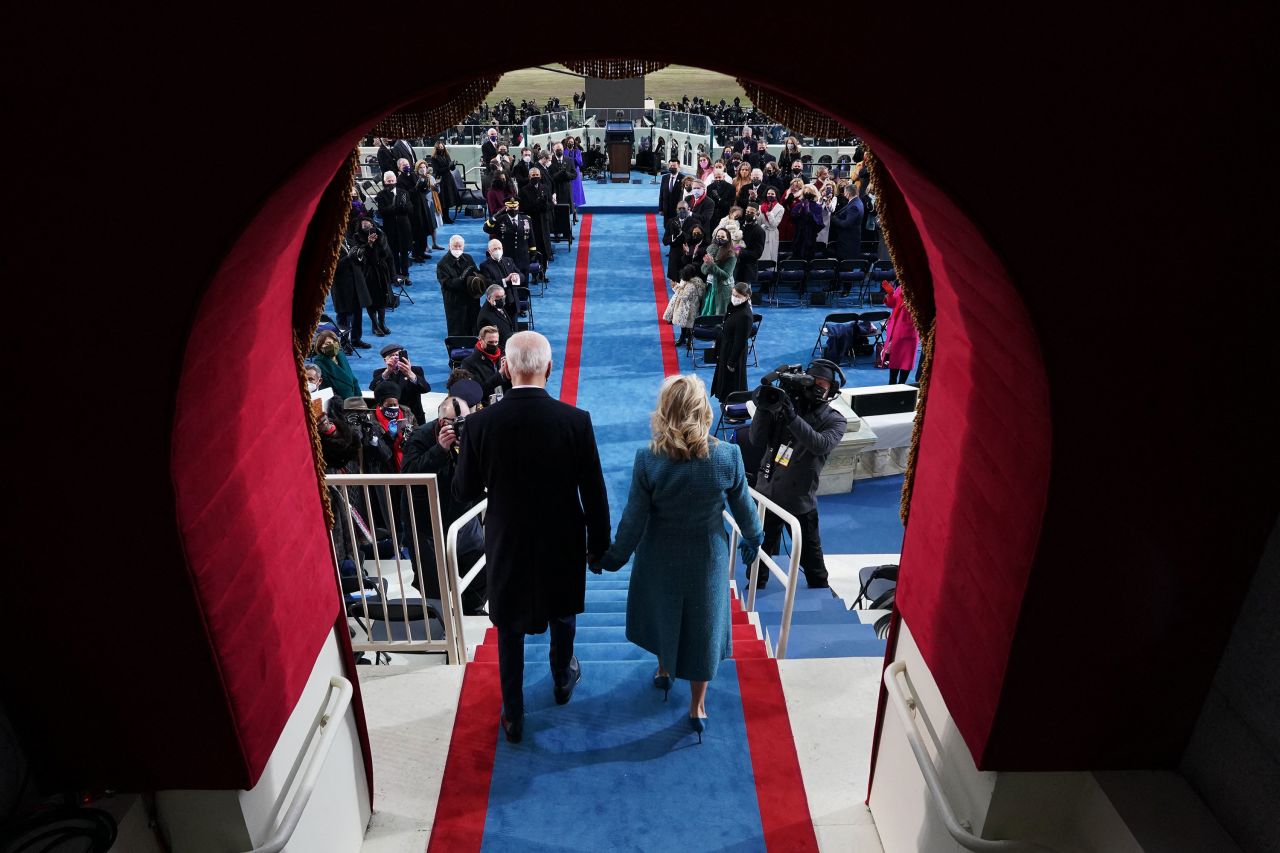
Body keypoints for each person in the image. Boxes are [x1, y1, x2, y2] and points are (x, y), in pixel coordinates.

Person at [453, 331, 611, 744]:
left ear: (505, 368)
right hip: (564, 539)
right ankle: (562, 678)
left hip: (507, 541)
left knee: (509, 625)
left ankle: (514, 713)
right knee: (562, 613)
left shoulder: (479, 424)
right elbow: (594, 491)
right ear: (549, 368)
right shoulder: (576, 421)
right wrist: (600, 545)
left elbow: (465, 490)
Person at [593, 374, 763, 740]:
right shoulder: (728, 456)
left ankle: (664, 669)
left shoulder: (647, 459)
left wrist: (614, 558)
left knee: (663, 614)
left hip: (658, 557)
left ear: (665, 412)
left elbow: (633, 519)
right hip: (707, 560)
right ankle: (697, 706)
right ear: (703, 411)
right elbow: (746, 510)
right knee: (704, 627)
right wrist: (754, 538)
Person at [748, 361, 846, 589]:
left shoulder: (835, 420)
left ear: (832, 389)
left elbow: (820, 444)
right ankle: (754, 589)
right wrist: (764, 408)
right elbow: (756, 440)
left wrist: (792, 418)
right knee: (760, 554)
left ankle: (821, 590)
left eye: (823, 384)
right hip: (768, 494)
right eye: (813, 381)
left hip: (800, 501)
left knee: (812, 559)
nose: (817, 387)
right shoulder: (784, 406)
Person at [401, 395, 488, 615]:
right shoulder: (420, 436)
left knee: (484, 569)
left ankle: (471, 609)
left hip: (463, 518)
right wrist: (439, 449)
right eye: (454, 423)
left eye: (465, 421)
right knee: (434, 585)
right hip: (427, 523)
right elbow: (408, 475)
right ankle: (442, 628)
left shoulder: (474, 434)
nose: (461, 428)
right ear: (441, 422)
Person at [369, 343, 431, 424]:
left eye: (398, 355)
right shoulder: (380, 373)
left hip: (413, 417)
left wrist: (410, 374)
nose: (396, 358)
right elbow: (373, 387)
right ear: (385, 360)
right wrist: (387, 372)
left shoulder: (416, 370)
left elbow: (426, 389)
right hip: (389, 417)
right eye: (391, 356)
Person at [331, 231, 373, 350]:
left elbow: (359, 258)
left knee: (357, 312)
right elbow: (332, 268)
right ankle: (344, 344)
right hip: (341, 286)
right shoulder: (330, 246)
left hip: (356, 283)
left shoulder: (349, 240)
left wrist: (365, 249)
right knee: (344, 315)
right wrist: (348, 258)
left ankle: (356, 339)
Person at [484, 197, 537, 282]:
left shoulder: (526, 219)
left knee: (523, 282)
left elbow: (531, 237)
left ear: (518, 206)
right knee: (509, 283)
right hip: (507, 257)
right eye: (510, 207)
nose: (513, 209)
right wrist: (495, 216)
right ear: (506, 208)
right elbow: (486, 229)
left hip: (523, 258)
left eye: (514, 207)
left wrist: (533, 252)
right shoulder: (500, 220)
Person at [436, 235, 479, 336]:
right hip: (455, 304)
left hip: (471, 301)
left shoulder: (468, 258)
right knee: (458, 332)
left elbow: (476, 274)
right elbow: (447, 284)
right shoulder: (442, 264)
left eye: (460, 246)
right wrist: (461, 279)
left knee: (473, 330)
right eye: (455, 246)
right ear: (449, 246)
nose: (458, 249)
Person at [375, 171, 413, 277]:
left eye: (392, 180)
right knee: (393, 253)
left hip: (404, 226)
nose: (390, 182)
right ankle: (396, 275)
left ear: (396, 180)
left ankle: (405, 275)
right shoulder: (381, 195)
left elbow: (410, 209)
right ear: (384, 182)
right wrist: (394, 207)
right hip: (390, 228)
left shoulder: (404, 192)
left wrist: (402, 207)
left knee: (404, 252)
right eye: (388, 181)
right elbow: (382, 211)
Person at [371, 380, 414, 472]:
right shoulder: (372, 420)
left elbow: (416, 436)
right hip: (384, 466)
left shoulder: (407, 415)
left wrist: (407, 436)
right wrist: (390, 436)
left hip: (406, 461)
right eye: (389, 405)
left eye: (395, 404)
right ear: (381, 405)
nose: (393, 407)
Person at [882, 281, 920, 384]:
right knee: (894, 362)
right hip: (896, 330)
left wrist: (909, 298)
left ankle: (902, 387)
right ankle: (892, 388)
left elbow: (919, 311)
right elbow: (892, 304)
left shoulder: (920, 290)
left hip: (909, 332)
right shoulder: (900, 287)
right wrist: (890, 294)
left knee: (906, 362)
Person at [462, 325, 512, 401]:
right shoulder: (469, 363)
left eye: (496, 342)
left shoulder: (504, 356)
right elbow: (478, 390)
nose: (494, 345)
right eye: (490, 342)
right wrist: (500, 374)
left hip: (505, 400)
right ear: (481, 340)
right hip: (485, 404)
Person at [664, 262, 707, 349]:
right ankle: (682, 338)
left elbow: (684, 296)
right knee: (683, 324)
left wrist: (674, 287)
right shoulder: (688, 280)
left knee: (690, 325)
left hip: (691, 308)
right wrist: (678, 286)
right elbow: (682, 288)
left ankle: (689, 341)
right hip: (685, 307)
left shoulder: (694, 284)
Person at [518, 166, 553, 267]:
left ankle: (544, 270)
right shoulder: (523, 190)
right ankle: (534, 273)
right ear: (529, 177)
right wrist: (536, 204)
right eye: (533, 175)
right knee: (534, 246)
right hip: (532, 222)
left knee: (545, 245)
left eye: (537, 175)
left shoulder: (545, 188)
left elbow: (551, 204)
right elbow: (522, 208)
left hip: (544, 222)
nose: (535, 177)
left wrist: (545, 205)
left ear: (541, 176)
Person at [313, 329, 361, 399]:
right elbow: (326, 392)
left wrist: (359, 398)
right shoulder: (320, 365)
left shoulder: (341, 356)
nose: (332, 345)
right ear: (320, 348)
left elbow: (353, 379)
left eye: (334, 341)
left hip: (353, 401)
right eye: (328, 344)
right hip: (339, 404)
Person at [700, 227, 737, 316]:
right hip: (710, 286)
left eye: (722, 237)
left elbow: (725, 275)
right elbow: (703, 270)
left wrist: (712, 265)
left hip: (723, 289)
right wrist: (707, 264)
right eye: (718, 236)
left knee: (719, 315)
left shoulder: (731, 254)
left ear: (728, 239)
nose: (719, 239)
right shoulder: (712, 249)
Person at [831, 183, 865, 263]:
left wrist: (833, 219)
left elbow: (846, 224)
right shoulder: (856, 202)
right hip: (848, 240)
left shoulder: (854, 206)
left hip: (848, 242)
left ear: (847, 193)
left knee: (846, 265)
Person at [789, 185, 823, 262]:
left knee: (809, 257)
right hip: (799, 234)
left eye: (809, 192)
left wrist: (809, 212)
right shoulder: (799, 205)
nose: (807, 194)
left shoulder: (817, 206)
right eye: (806, 192)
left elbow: (819, 223)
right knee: (797, 256)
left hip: (810, 235)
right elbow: (792, 218)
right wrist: (799, 212)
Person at [663, 201, 691, 286]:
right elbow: (665, 241)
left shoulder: (694, 222)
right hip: (674, 258)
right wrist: (673, 236)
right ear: (676, 210)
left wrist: (681, 233)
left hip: (687, 257)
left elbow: (692, 239)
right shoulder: (671, 222)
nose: (681, 210)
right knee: (674, 287)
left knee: (685, 286)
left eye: (684, 208)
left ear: (688, 209)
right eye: (679, 209)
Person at [737, 205, 764, 287]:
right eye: (747, 212)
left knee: (745, 294)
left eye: (752, 213)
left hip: (748, 268)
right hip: (736, 265)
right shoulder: (739, 226)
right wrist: (736, 249)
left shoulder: (759, 231)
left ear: (757, 214)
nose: (748, 214)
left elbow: (757, 253)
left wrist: (741, 252)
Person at [430, 142, 458, 223]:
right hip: (441, 180)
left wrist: (453, 165)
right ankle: (443, 217)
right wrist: (448, 167)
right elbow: (437, 171)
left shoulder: (446, 155)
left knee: (448, 198)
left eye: (442, 147)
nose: (441, 148)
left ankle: (447, 217)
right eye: (439, 147)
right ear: (436, 148)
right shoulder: (434, 158)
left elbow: (451, 169)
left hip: (449, 179)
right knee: (443, 199)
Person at [759, 188, 784, 267]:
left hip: (772, 233)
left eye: (772, 194)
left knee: (771, 255)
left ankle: (771, 272)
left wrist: (769, 213)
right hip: (762, 232)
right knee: (761, 253)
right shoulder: (761, 206)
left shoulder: (780, 208)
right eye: (768, 193)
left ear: (776, 195)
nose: (770, 195)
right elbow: (759, 222)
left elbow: (774, 224)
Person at [658, 158, 683, 228]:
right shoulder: (664, 178)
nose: (672, 167)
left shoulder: (683, 178)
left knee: (676, 227)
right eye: (671, 166)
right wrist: (660, 208)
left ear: (678, 166)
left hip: (677, 209)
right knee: (666, 227)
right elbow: (661, 193)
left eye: (674, 166)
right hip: (666, 209)